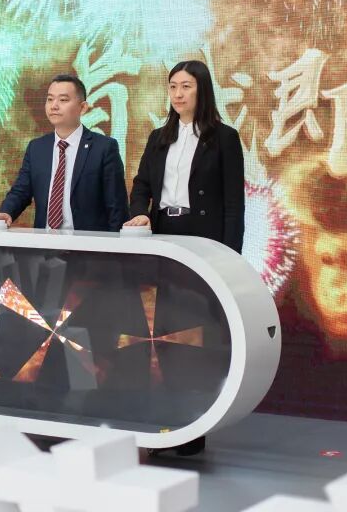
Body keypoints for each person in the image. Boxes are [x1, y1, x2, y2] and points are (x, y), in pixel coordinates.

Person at [123, 59, 245, 457]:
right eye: (173, 86)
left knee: (197, 333)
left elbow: (234, 205)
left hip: (203, 239)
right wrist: (139, 213)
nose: (178, 94)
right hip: (164, 237)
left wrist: (229, 259)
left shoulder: (224, 138)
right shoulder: (159, 137)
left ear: (202, 90)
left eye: (186, 86)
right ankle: (167, 422)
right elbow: (142, 185)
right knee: (162, 331)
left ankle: (194, 427)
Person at [0, 74, 128, 231]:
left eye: (63, 100)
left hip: (88, 242)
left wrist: (115, 244)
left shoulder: (104, 147)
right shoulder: (37, 148)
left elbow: (117, 206)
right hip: (44, 241)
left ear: (83, 107)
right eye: (50, 99)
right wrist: (6, 212)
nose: (54, 106)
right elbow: (21, 191)